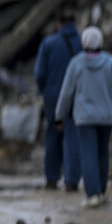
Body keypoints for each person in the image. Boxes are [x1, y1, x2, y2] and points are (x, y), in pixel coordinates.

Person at [55, 27, 112, 208]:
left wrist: (59, 116)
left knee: (88, 154)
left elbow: (66, 93)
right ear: (100, 42)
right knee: (103, 153)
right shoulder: (110, 62)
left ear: (84, 43)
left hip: (84, 117)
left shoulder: (76, 64)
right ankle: (101, 192)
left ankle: (92, 194)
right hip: (106, 116)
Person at [35, 12, 82, 191]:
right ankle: (71, 181)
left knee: (53, 136)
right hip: (76, 97)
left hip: (53, 96)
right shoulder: (82, 43)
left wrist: (44, 90)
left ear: (59, 24)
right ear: (75, 24)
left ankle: (52, 178)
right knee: (73, 136)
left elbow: (39, 73)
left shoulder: (48, 43)